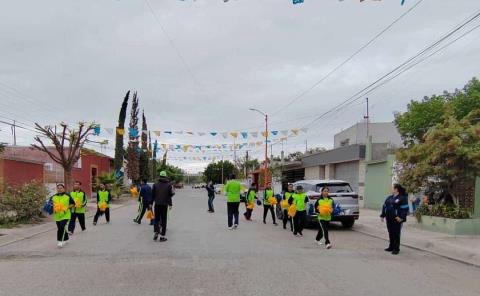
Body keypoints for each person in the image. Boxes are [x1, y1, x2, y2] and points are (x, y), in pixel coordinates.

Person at [381, 184, 409, 255]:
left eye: (392, 188)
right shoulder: (389, 197)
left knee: (396, 233)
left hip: (397, 219)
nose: (391, 189)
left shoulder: (402, 198)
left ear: (396, 189)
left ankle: (396, 249)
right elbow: (384, 206)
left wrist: (401, 218)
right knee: (390, 232)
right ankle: (391, 246)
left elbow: (405, 209)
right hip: (389, 218)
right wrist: (383, 215)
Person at [152, 171, 175, 242]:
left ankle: (156, 231)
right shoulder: (169, 185)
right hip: (164, 205)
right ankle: (162, 236)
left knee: (156, 219)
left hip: (157, 204)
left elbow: (152, 195)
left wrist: (150, 203)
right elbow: (170, 195)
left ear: (160, 176)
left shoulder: (155, 184)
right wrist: (170, 204)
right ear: (165, 177)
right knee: (164, 220)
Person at [51, 184, 75, 248]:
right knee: (60, 227)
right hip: (57, 215)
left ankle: (60, 241)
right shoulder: (54, 196)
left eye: (61, 188)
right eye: (58, 188)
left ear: (63, 189)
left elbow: (73, 204)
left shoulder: (67, 196)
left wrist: (66, 208)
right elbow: (50, 204)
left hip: (65, 214)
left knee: (61, 227)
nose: (59, 189)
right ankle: (66, 238)